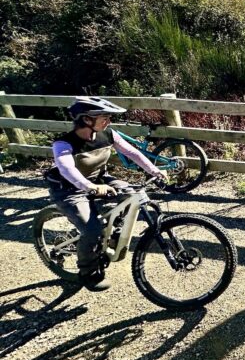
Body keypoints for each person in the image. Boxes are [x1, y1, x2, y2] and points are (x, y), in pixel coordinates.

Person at [45, 97, 167, 291]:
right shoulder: (64, 143)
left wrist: (155, 170)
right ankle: (88, 272)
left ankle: (114, 233)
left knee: (132, 194)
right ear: (86, 120)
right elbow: (67, 169)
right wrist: (89, 187)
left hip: (99, 180)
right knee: (92, 230)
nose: (108, 121)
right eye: (104, 117)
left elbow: (132, 153)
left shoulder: (108, 134)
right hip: (69, 189)